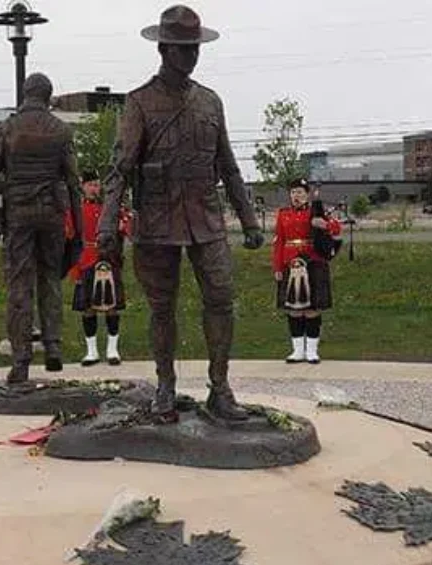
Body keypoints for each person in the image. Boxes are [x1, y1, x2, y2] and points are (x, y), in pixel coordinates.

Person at [97, 5, 265, 422]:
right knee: (161, 308)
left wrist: (248, 219)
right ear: (165, 49)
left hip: (206, 220)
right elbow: (120, 169)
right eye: (184, 49)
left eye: (195, 48)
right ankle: (166, 386)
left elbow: (227, 165)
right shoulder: (139, 103)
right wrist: (106, 224)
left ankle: (220, 390)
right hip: (157, 221)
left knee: (222, 299)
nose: (192, 56)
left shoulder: (210, 102)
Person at [0, 72, 85, 384]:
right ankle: (53, 346)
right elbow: (73, 182)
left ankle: (21, 359)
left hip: (19, 215)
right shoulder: (61, 130)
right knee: (50, 279)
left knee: (19, 286)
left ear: (26, 94)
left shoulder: (9, 128)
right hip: (52, 214)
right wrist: (78, 229)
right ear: (48, 96)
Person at [273, 177, 342, 364]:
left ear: (307, 195)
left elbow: (337, 229)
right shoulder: (283, 214)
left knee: (312, 309)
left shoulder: (316, 212)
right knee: (294, 310)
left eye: (300, 193)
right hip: (291, 264)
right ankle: (297, 351)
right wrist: (278, 267)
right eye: (294, 192)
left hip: (313, 263)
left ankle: (312, 351)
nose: (297, 196)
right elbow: (279, 241)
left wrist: (325, 225)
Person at [66, 171, 130, 367]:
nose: (95, 188)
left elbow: (126, 225)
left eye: (97, 184)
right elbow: (70, 237)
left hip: (108, 259)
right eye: (91, 185)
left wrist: (122, 225)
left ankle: (112, 350)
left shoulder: (110, 208)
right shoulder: (75, 210)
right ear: (83, 186)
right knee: (88, 308)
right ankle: (91, 352)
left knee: (111, 307)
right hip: (85, 259)